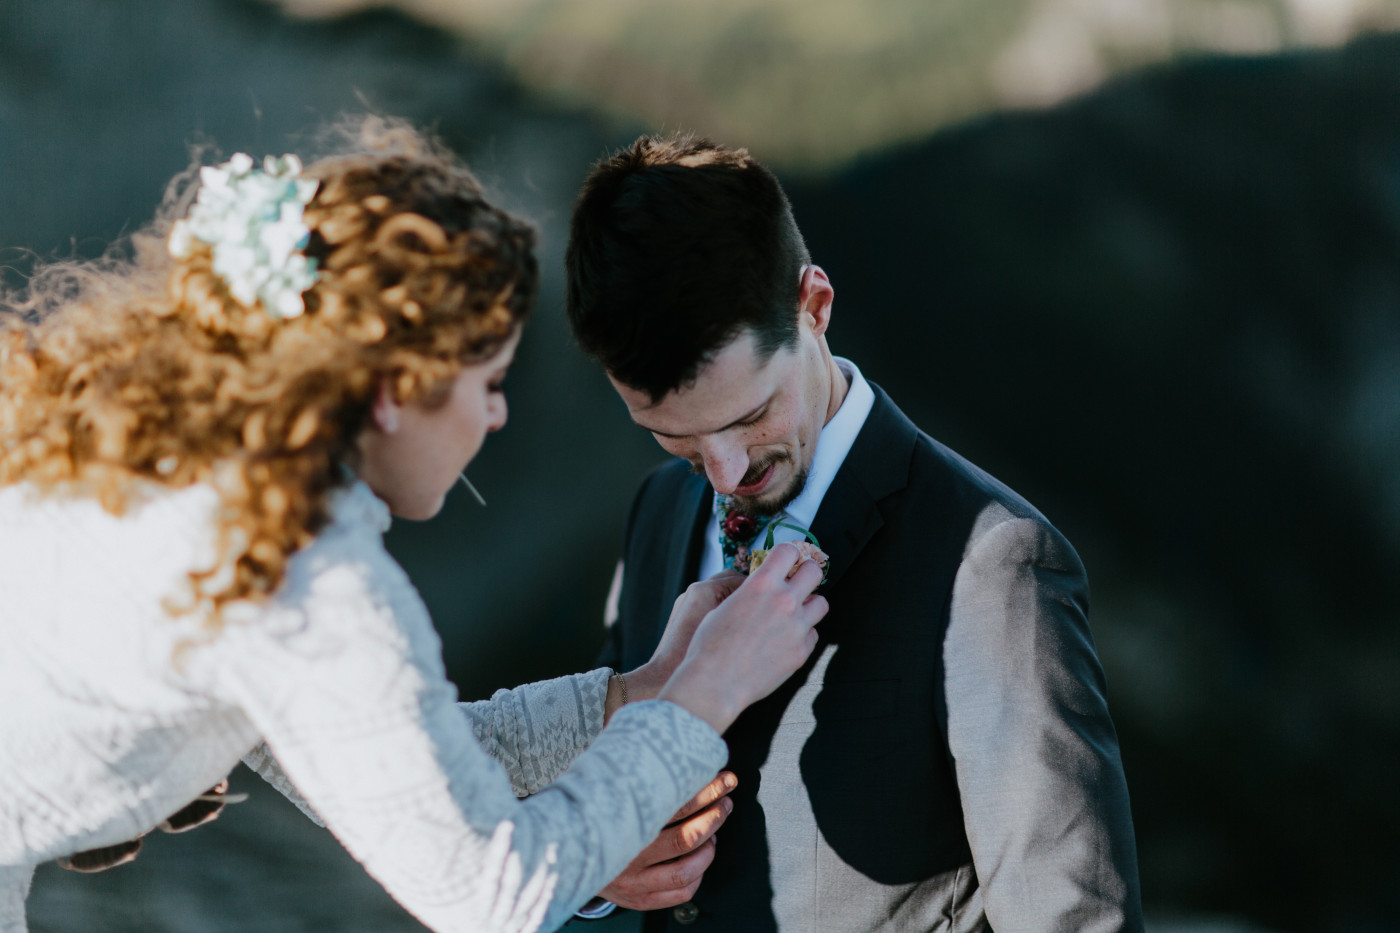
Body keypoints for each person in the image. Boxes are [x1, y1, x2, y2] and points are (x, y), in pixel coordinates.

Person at [0, 119, 830, 933]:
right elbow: (489, 896)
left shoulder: (177, 463)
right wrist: (703, 695)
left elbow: (414, 761)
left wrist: (638, 693)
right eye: (490, 380)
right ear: (396, 390)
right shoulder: (303, 577)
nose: (498, 416)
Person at [564, 134, 1144, 931]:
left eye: (751, 414)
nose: (724, 471)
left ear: (814, 306)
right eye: (677, 439)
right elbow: (607, 754)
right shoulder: (659, 511)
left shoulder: (994, 565)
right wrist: (606, 854)